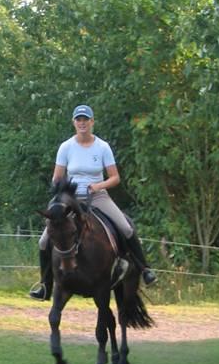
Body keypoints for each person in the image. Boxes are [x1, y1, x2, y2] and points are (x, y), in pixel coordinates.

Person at [29, 104, 157, 300]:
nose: (82, 123)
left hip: (97, 196)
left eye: (85, 120)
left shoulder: (102, 147)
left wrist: (98, 186)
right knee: (44, 240)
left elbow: (115, 177)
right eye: (78, 120)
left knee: (126, 228)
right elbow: (56, 178)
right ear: (74, 122)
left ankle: (144, 269)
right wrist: (65, 193)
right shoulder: (66, 147)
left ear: (92, 122)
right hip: (71, 201)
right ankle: (45, 285)